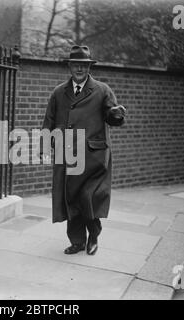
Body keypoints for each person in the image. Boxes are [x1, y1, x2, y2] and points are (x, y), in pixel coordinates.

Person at [41, 45, 126, 255]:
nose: (79, 69)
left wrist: (116, 115)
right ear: (69, 67)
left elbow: (112, 115)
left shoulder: (102, 90)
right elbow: (48, 121)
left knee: (88, 197)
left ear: (89, 68)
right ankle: (77, 241)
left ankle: (94, 234)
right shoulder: (59, 92)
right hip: (67, 155)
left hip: (93, 157)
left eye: (84, 66)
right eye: (75, 65)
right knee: (70, 200)